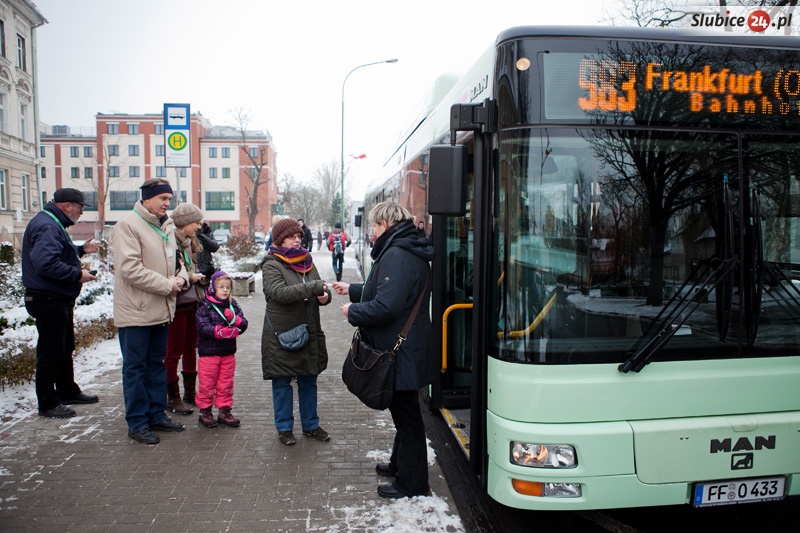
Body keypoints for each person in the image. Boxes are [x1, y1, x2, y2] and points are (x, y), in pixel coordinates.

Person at [332, 201, 436, 499]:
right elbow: (388, 291)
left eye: (375, 226)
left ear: (385, 224)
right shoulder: (403, 249)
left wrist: (353, 310)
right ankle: (399, 464)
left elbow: (386, 306)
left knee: (408, 418)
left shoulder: (396, 255)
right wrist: (352, 289)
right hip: (406, 347)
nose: (373, 232)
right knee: (403, 411)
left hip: (399, 350)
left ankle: (413, 484)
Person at [113, 178, 190, 445]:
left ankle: (157, 415)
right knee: (135, 369)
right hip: (136, 312)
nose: (167, 204)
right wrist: (168, 284)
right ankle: (137, 422)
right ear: (146, 199)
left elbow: (175, 262)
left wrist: (181, 277)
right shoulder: (128, 226)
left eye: (169, 199)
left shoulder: (165, 226)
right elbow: (130, 269)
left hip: (161, 309)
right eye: (162, 199)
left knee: (156, 365)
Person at [22, 188, 100, 419]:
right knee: (51, 351)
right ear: (68, 206)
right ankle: (48, 403)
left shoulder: (52, 223)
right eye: (80, 208)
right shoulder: (47, 225)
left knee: (64, 349)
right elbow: (45, 263)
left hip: (56, 297)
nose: (81, 213)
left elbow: (57, 252)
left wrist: (80, 250)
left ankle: (67, 391)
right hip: (49, 298)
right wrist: (77, 275)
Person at [261, 217, 332, 445]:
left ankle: (311, 425)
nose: (297, 240)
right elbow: (279, 293)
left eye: (299, 236)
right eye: (292, 236)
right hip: (283, 333)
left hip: (309, 329)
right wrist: (313, 288)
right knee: (282, 382)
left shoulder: (308, 263)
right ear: (280, 239)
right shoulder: (271, 264)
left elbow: (319, 288)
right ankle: (284, 428)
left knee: (308, 379)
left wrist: (324, 297)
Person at [164, 203, 207, 416]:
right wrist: (190, 276)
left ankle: (190, 392)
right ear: (185, 222)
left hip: (192, 301)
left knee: (191, 348)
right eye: (196, 222)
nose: (199, 226)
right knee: (173, 351)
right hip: (177, 302)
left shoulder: (190, 243)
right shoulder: (171, 242)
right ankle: (173, 396)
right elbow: (172, 271)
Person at [195, 271, 248, 428]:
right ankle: (205, 411)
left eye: (228, 287)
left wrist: (237, 322)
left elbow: (243, 323)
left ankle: (224, 411)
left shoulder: (232, 305)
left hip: (227, 352)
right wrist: (217, 331)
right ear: (213, 288)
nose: (225, 290)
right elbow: (202, 325)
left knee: (226, 383)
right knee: (207, 383)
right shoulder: (205, 306)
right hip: (209, 353)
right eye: (221, 287)